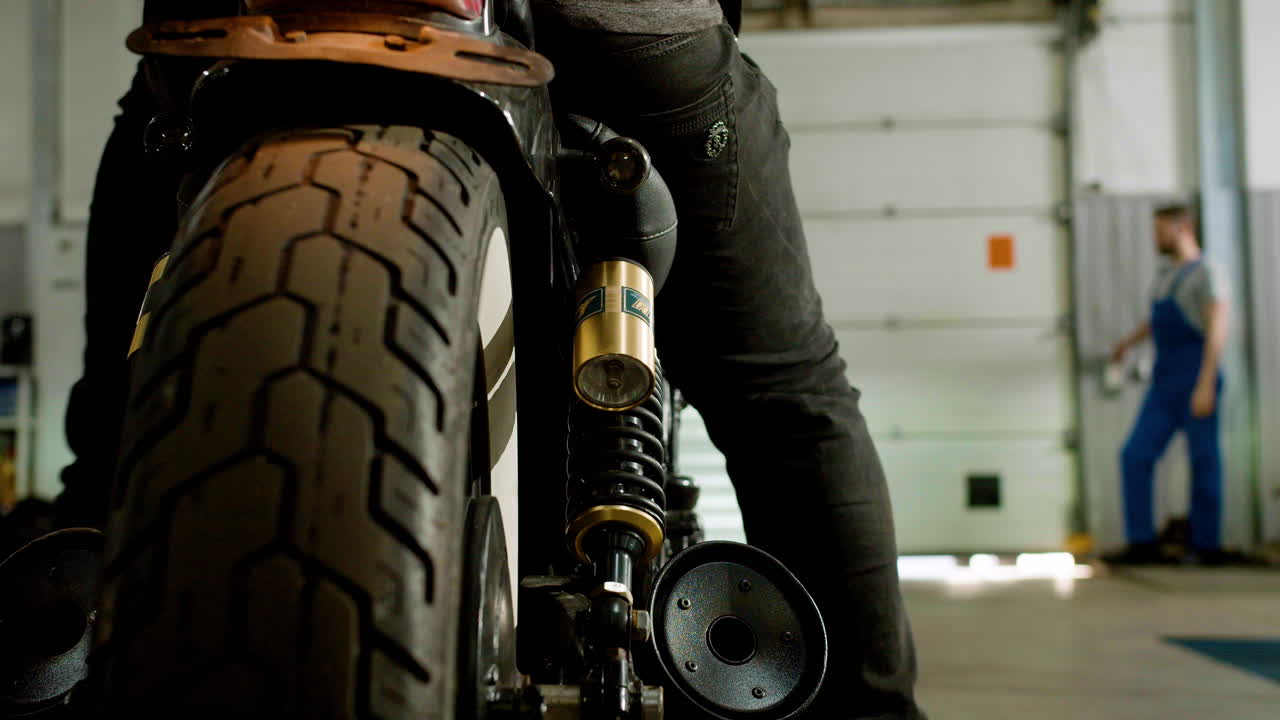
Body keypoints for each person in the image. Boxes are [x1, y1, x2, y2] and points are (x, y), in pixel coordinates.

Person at [48, 1, 925, 717]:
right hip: (616, 25)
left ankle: (65, 599)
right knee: (780, 396)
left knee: (126, 391)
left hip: (258, 14)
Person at [1107, 203, 1229, 565]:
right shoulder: (1165, 274)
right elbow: (1157, 321)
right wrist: (1128, 342)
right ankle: (1141, 543)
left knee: (1204, 460)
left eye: (1159, 230)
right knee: (1134, 455)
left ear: (1182, 228)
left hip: (1197, 377)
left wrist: (1206, 382)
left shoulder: (1208, 272)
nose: (1154, 237)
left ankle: (1207, 547)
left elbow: (1217, 327)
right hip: (1164, 382)